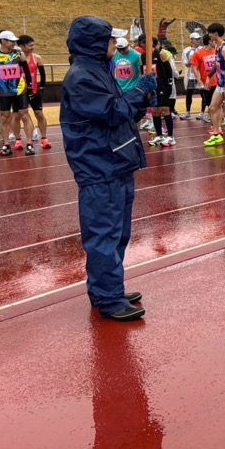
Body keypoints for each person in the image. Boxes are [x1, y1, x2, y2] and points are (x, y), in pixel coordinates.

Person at [61, 16, 154, 321]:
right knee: (104, 235)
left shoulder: (98, 70)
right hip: (100, 167)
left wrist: (141, 99)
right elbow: (111, 112)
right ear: (95, 43)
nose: (115, 44)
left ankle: (107, 289)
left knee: (117, 234)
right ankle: (109, 299)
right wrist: (139, 92)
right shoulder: (82, 76)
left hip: (114, 163)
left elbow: (121, 114)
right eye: (110, 39)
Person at [0, 30, 34, 156]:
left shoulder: (19, 53)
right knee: (4, 117)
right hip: (3, 91)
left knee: (25, 115)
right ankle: (6, 145)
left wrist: (29, 88)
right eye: (11, 41)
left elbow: (27, 71)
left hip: (19, 89)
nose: (14, 43)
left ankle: (29, 144)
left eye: (15, 41)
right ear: (3, 41)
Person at [17, 35, 51, 149]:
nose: (32, 47)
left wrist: (41, 88)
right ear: (22, 46)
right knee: (19, 115)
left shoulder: (36, 58)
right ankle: (20, 139)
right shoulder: (14, 58)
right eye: (30, 45)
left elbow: (43, 74)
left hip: (34, 91)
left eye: (33, 45)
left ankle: (44, 138)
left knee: (39, 114)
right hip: (19, 92)